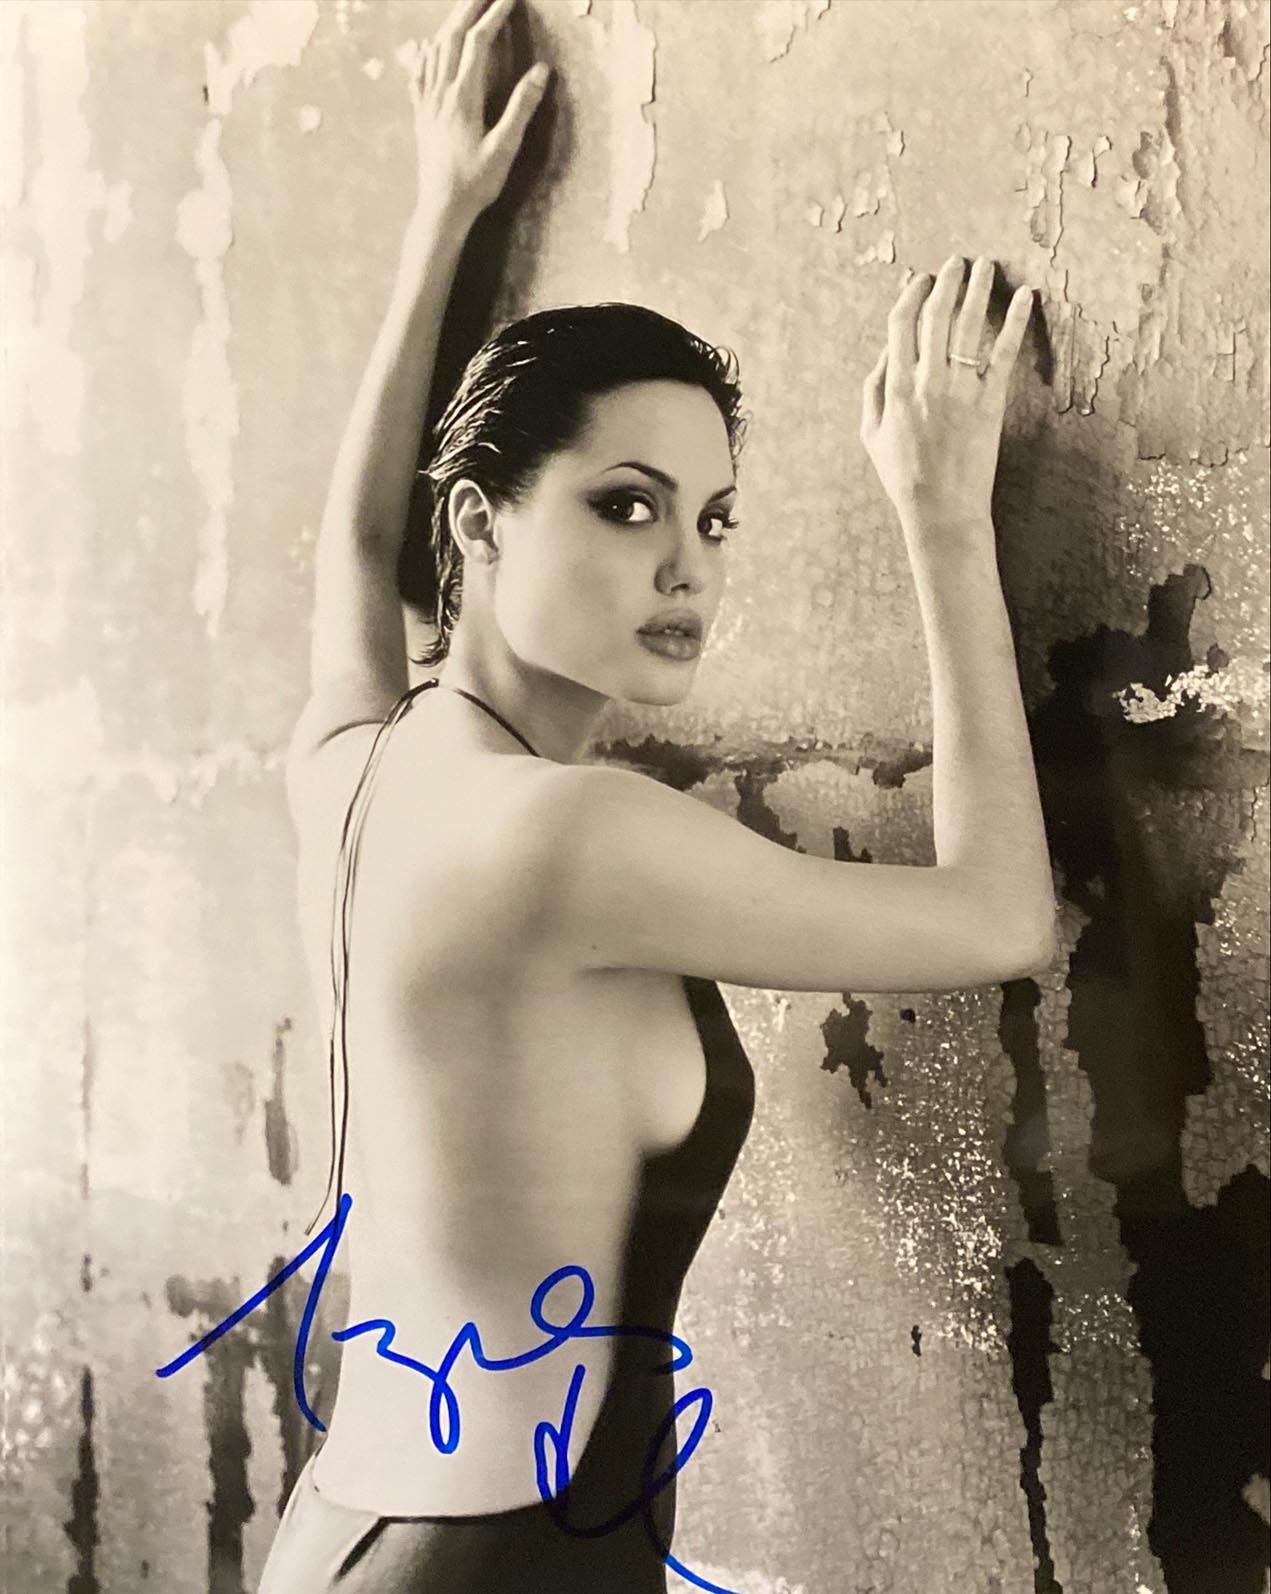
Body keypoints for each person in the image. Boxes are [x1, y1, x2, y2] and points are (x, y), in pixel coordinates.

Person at [257, 0, 1056, 1587]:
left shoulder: (346, 768)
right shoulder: (569, 835)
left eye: (716, 517)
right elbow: (999, 916)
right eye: (629, 507)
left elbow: (353, 545)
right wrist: (943, 524)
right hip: (503, 1561)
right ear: (476, 523)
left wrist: (443, 211)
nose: (689, 566)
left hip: (337, 1532)